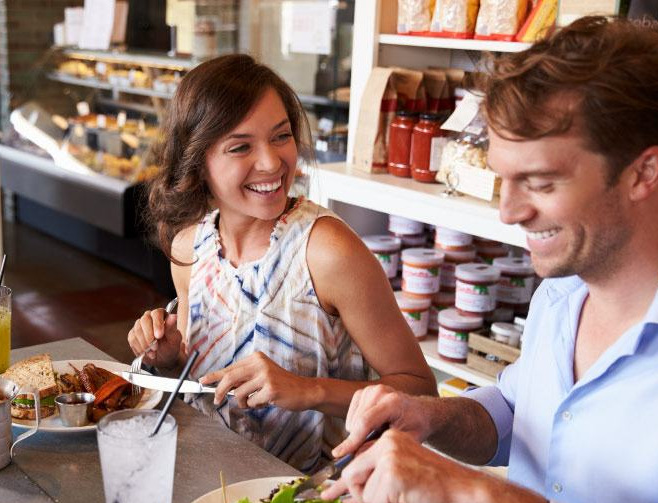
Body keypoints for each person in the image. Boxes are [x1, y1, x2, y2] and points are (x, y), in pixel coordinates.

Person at [321, 16, 658, 503]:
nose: (508, 212)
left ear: (643, 172)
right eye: (504, 179)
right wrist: (428, 417)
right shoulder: (562, 292)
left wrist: (473, 495)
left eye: (541, 182)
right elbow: (516, 409)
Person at [127, 54, 436, 473]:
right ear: (199, 162)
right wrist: (168, 360)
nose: (272, 162)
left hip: (317, 500)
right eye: (241, 147)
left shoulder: (327, 251)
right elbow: (205, 385)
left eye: (281, 136)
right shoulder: (189, 250)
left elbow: (421, 392)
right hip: (211, 479)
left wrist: (308, 391)